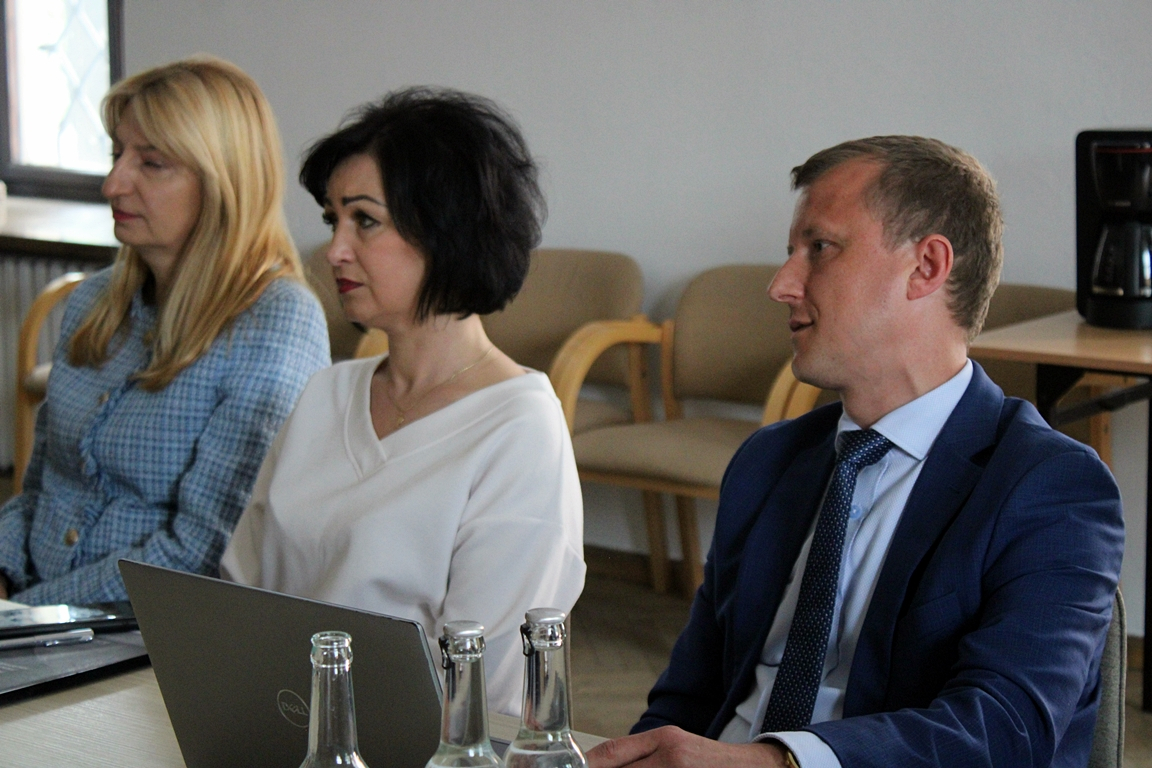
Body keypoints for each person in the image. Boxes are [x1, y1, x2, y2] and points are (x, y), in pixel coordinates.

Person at [587, 136, 1124, 768]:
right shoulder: (768, 461)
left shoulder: (1050, 485)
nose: (781, 285)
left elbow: (1003, 731)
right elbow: (687, 698)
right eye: (790, 253)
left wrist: (778, 763)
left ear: (926, 267)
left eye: (819, 248)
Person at [219, 88, 585, 717]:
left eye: (364, 221)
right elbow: (241, 591)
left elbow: (483, 689)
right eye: (332, 220)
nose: (334, 249)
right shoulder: (327, 392)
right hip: (272, 717)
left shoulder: (519, 428)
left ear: (447, 230)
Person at [0, 57, 331, 605]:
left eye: (151, 163)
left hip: (142, 632)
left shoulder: (275, 322)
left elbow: (200, 552)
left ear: (224, 182)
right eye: (117, 155)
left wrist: (28, 615)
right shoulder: (93, 301)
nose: (112, 184)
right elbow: (39, 489)